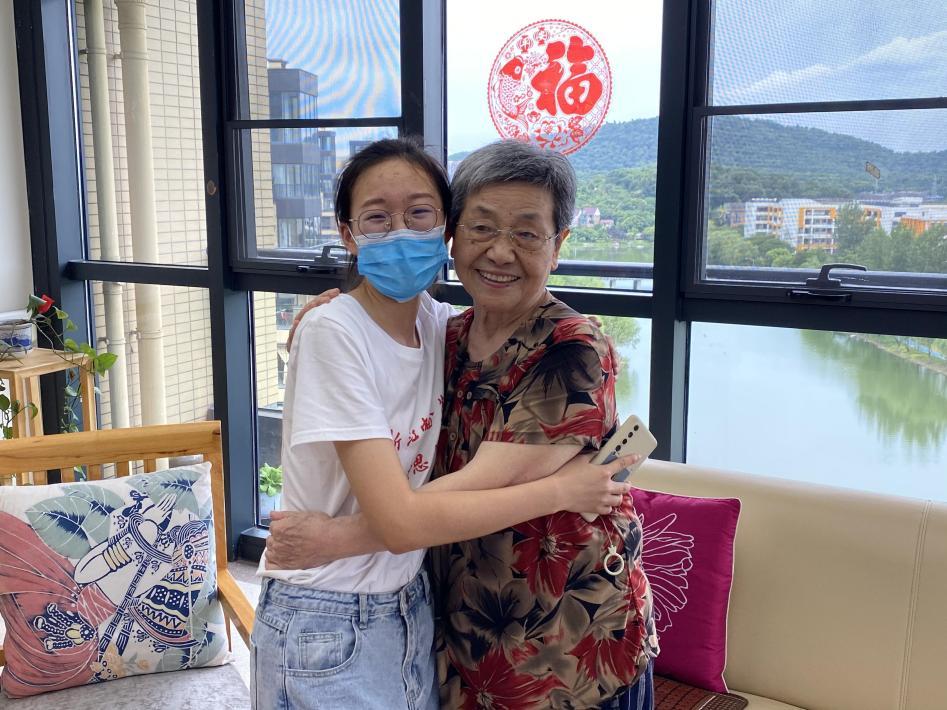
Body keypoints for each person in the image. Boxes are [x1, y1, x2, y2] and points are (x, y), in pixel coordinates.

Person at [270, 139, 658, 709]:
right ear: (454, 236)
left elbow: (463, 495)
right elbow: (375, 331)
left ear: (558, 246)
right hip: (459, 647)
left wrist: (334, 538)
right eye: (482, 227)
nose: (500, 251)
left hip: (571, 655)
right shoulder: (444, 332)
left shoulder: (571, 350)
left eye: (526, 233)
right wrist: (332, 314)